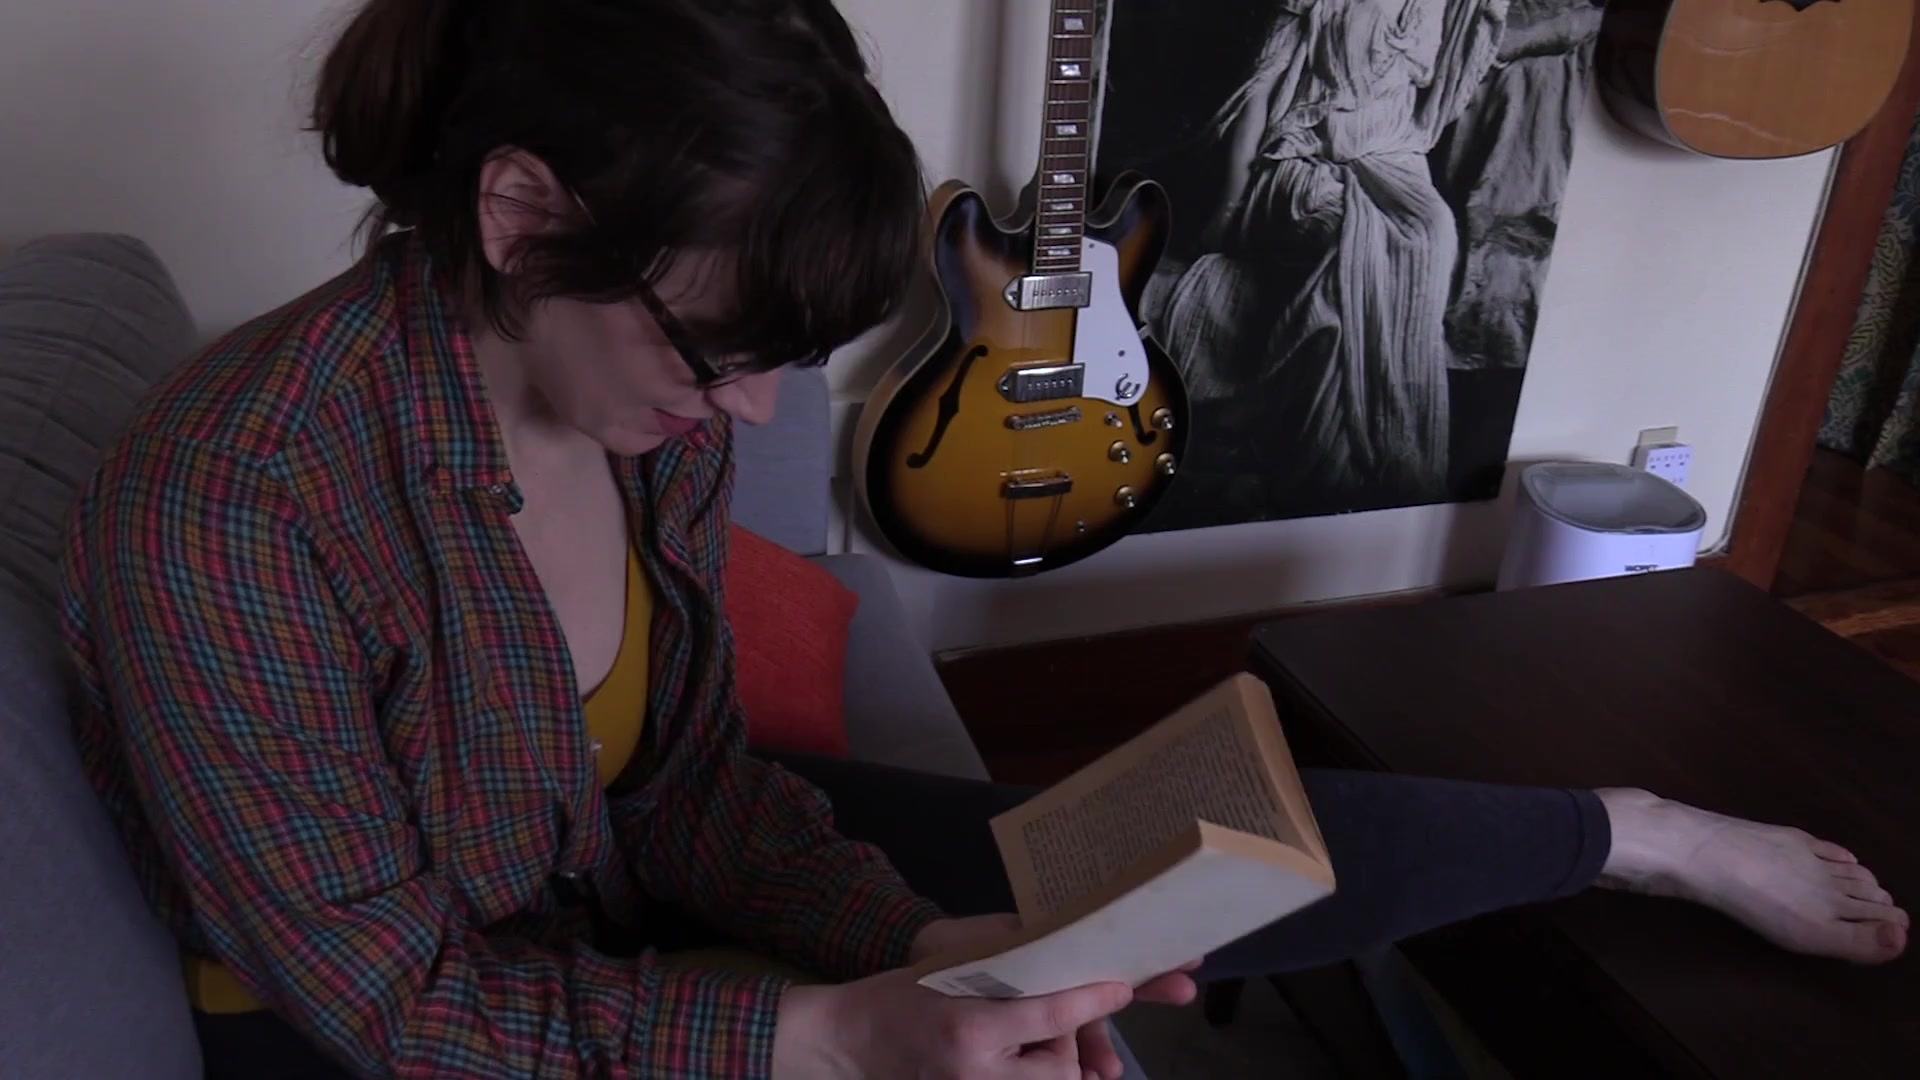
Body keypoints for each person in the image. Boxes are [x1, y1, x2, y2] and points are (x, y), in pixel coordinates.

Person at [59, 1, 1905, 1078]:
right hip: (394, 1029)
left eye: (782, 363)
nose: (758, 422)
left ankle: (1632, 833)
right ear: (523, 215)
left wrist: (933, 952)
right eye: (719, 356)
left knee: (1167, 865)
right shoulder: (234, 508)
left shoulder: (640, 409)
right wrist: (834, 1039)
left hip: (611, 884)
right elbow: (400, 1007)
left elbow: (686, 792)